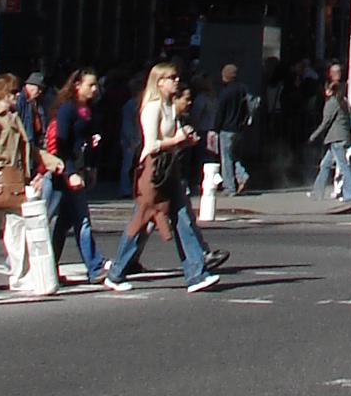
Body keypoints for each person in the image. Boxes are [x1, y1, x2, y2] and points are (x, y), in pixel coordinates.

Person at [105, 64, 218, 293]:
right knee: (143, 219)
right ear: (159, 82)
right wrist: (176, 139)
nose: (176, 81)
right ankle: (115, 272)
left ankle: (196, 274)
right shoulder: (152, 107)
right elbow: (151, 144)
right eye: (171, 78)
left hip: (169, 170)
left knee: (182, 218)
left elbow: (172, 139)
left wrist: (185, 140)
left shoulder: (169, 107)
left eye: (177, 77)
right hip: (153, 171)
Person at [0, 70, 43, 297]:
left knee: (13, 227)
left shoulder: (13, 116)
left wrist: (51, 163)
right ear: (3, 93)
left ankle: (20, 276)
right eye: (13, 91)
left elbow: (28, 149)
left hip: (13, 181)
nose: (17, 95)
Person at [45, 68, 106, 284]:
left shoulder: (87, 110)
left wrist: (90, 167)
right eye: (90, 85)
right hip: (64, 173)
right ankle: (95, 267)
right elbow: (61, 144)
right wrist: (70, 173)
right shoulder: (67, 109)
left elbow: (85, 142)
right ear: (76, 85)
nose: (94, 89)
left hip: (78, 171)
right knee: (73, 220)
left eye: (95, 85)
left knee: (64, 222)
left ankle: (48, 266)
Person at [307, 65, 351, 203]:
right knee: (325, 164)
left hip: (336, 139)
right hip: (341, 137)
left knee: (343, 165)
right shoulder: (343, 101)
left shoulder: (331, 103)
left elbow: (325, 122)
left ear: (328, 90)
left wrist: (313, 136)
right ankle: (317, 192)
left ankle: (349, 194)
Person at [213, 61, 252, 198]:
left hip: (226, 129)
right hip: (238, 128)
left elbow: (220, 113)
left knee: (226, 158)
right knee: (231, 155)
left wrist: (214, 129)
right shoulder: (242, 90)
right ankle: (241, 175)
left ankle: (229, 187)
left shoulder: (225, 93)